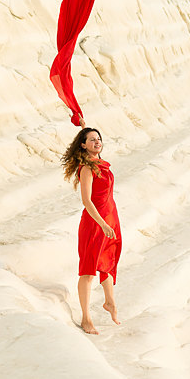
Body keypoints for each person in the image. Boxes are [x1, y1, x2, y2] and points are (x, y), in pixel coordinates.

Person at [61, 127, 122, 334]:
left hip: (110, 219)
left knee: (107, 260)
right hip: (95, 223)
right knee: (88, 270)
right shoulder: (87, 169)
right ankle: (86, 318)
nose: (97, 142)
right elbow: (87, 201)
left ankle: (110, 302)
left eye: (99, 139)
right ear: (83, 145)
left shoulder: (101, 164)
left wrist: (110, 222)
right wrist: (103, 224)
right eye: (92, 140)